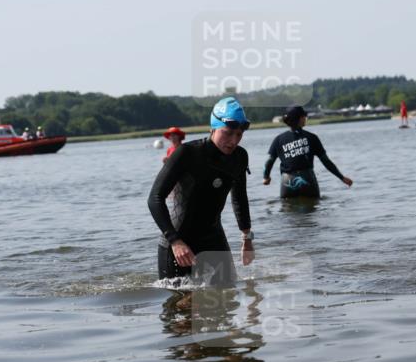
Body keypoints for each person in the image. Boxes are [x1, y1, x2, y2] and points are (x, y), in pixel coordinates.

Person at [148, 97, 254, 287]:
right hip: (179, 240)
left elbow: (239, 198)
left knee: (226, 300)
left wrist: (247, 238)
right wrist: (175, 241)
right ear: (213, 127)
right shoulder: (187, 154)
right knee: (180, 309)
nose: (233, 141)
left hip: (213, 238)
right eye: (228, 133)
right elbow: (155, 198)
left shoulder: (239, 157)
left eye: (239, 134)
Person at [262, 105, 353, 198]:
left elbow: (269, 160)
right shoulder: (311, 137)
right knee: (312, 209)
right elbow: (326, 161)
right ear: (300, 118)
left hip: (288, 183)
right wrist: (342, 177)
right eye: (304, 116)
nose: (305, 118)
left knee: (288, 209)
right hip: (307, 180)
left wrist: (266, 177)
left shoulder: (278, 140)